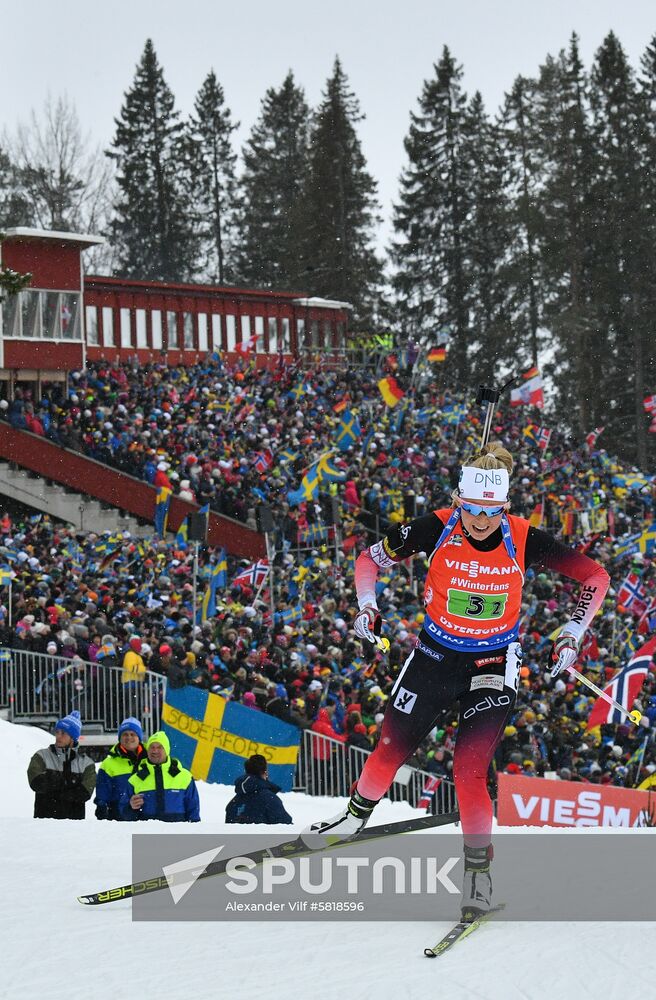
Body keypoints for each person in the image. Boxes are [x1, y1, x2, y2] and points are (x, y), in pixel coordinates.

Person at [308, 442, 610, 920]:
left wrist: (572, 633)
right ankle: (352, 817)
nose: (481, 522)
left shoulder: (525, 537)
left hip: (492, 662)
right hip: (433, 655)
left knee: (468, 771)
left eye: (491, 512)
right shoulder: (436, 526)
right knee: (390, 747)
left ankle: (477, 877)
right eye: (472, 510)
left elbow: (595, 576)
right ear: (459, 501)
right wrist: (367, 605)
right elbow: (368, 560)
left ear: (505, 507)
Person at [27, 710, 96, 819]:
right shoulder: (41, 756)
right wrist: (69, 787)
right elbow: (36, 783)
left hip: (74, 828)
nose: (58, 736)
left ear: (73, 738)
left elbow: (85, 793)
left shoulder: (86, 763)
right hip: (44, 824)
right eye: (57, 732)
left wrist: (54, 787)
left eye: (63, 733)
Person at [121, 730, 200, 822]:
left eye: (159, 747)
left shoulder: (184, 777)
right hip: (147, 834)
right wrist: (130, 807)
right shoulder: (135, 780)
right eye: (151, 747)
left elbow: (193, 812)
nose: (155, 750)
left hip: (177, 834)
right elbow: (125, 815)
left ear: (166, 750)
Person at [95, 717, 147, 820]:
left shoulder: (150, 760)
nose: (129, 737)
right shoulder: (108, 764)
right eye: (125, 734)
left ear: (139, 738)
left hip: (146, 818)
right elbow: (102, 794)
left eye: (132, 734)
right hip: (118, 820)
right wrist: (102, 808)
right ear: (120, 738)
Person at [225, 753, 293, 824]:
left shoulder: (233, 804)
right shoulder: (270, 800)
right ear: (265, 773)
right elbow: (286, 828)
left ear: (246, 771)